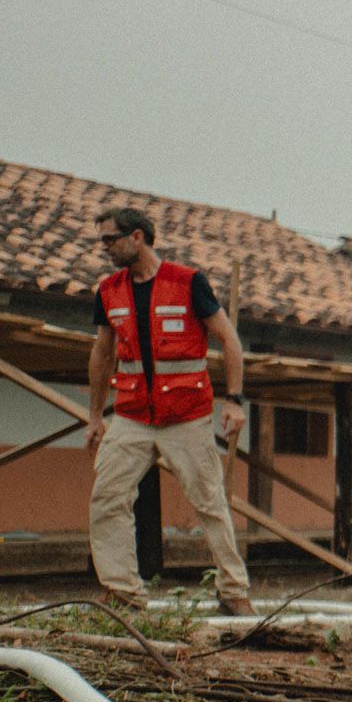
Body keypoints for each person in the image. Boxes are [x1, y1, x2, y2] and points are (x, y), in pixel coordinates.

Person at [85, 207, 255, 617]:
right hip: (131, 416)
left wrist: (234, 400)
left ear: (138, 237)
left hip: (187, 415)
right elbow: (103, 352)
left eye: (110, 240)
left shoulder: (188, 282)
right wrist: (95, 416)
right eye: (102, 241)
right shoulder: (108, 290)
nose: (104, 248)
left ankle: (233, 591)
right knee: (107, 497)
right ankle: (123, 590)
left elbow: (229, 339)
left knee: (209, 502)